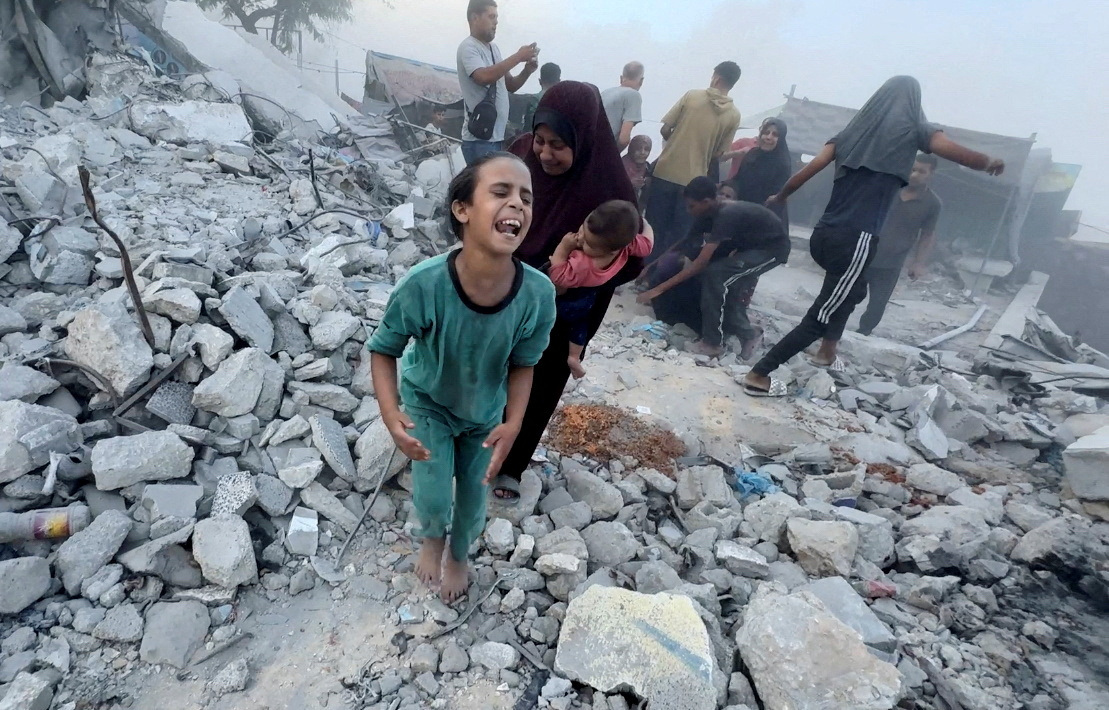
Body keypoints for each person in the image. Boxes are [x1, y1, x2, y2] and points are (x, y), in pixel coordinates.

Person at [368, 152, 556, 602]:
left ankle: (459, 554)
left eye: (526, 198)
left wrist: (513, 425)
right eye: (501, 193)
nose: (518, 205)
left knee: (474, 502)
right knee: (433, 493)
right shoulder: (424, 285)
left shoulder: (537, 294)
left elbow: (524, 364)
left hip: (485, 414)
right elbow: (383, 350)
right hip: (429, 403)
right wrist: (393, 415)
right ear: (462, 209)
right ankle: (432, 540)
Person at [743, 76, 1004, 397]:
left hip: (824, 234)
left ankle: (827, 353)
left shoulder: (849, 134)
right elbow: (950, 150)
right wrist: (988, 161)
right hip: (856, 241)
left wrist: (781, 196)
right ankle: (760, 373)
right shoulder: (916, 130)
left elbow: (810, 170)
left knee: (853, 291)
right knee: (821, 314)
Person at [489, 80, 641, 501]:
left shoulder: (607, 188)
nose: (544, 154)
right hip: (507, 293)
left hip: (564, 314)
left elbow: (634, 257)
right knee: (489, 370)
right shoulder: (522, 163)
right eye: (540, 140)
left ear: (584, 138)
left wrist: (586, 269)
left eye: (558, 145)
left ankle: (511, 466)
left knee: (541, 382)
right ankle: (474, 446)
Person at [639, 176, 790, 359]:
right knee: (721, 283)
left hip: (770, 250)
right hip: (746, 247)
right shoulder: (705, 212)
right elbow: (685, 242)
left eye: (691, 206)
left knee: (716, 275)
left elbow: (700, 264)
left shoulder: (726, 214)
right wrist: (651, 266)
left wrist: (657, 290)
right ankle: (747, 331)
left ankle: (712, 343)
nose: (689, 211)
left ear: (706, 201)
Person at [644, 61, 742, 259]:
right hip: (694, 183)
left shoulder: (692, 96)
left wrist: (677, 139)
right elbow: (718, 154)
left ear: (717, 77)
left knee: (653, 227)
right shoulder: (734, 115)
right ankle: (658, 276)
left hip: (665, 171)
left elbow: (665, 128)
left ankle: (640, 270)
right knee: (679, 233)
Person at [548, 200, 654, 378]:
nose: (581, 240)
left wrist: (563, 249)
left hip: (566, 301)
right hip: (588, 302)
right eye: (583, 230)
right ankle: (574, 357)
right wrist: (646, 225)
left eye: (589, 244)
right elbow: (647, 245)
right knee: (580, 327)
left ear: (612, 251)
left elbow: (559, 277)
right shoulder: (626, 246)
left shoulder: (583, 264)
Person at [857, 153, 942, 335]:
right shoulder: (889, 188)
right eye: (912, 169)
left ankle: (863, 332)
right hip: (864, 252)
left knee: (877, 304)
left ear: (931, 174)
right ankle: (831, 330)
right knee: (847, 295)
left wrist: (918, 263)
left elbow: (927, 235)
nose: (914, 175)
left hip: (892, 262)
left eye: (921, 171)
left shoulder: (932, 203)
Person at [457, 0, 540, 165]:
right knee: (484, 188)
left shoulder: (494, 49)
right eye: (491, 16)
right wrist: (518, 57)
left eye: (496, 17)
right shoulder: (468, 47)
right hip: (478, 140)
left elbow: (510, 85)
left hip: (495, 136)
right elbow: (483, 77)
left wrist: (527, 70)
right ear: (474, 17)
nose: (496, 22)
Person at [726, 117, 792, 226]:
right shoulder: (752, 154)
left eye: (775, 135)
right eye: (766, 132)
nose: (769, 137)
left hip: (766, 218)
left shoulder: (783, 163)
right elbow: (738, 180)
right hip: (741, 211)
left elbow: (778, 194)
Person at [601, 61, 645, 152]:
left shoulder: (606, 93)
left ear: (621, 78)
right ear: (641, 81)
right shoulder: (633, 95)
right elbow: (624, 139)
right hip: (603, 151)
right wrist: (613, 156)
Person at [521, 62, 562, 140]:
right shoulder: (564, 102)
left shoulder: (533, 100)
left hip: (534, 142)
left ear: (540, 81)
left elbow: (526, 128)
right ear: (559, 82)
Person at [622, 134, 653, 204]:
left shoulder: (648, 168)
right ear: (632, 149)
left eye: (646, 149)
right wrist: (628, 183)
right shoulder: (620, 165)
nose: (642, 152)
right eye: (638, 148)